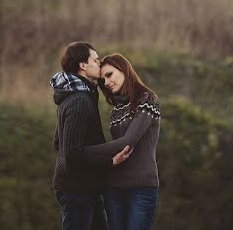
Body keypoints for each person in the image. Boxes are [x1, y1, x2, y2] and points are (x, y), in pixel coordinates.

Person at [52, 41, 133, 230]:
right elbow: (72, 152)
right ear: (83, 65)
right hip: (77, 188)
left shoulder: (76, 95)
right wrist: (109, 162)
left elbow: (59, 142)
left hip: (84, 185)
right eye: (96, 60)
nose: (99, 63)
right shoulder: (79, 100)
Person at [95, 53, 162, 230]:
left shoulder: (147, 99)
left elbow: (128, 141)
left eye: (109, 75)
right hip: (112, 188)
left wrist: (87, 151)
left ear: (124, 69)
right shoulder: (116, 109)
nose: (107, 83)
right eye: (102, 81)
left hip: (140, 188)